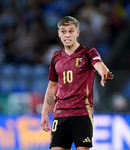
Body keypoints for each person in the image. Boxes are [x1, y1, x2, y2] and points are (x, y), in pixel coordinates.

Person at [40, 16, 114, 150]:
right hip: (60, 114)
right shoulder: (56, 57)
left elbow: (99, 65)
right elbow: (52, 86)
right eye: (63, 31)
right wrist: (44, 113)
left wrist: (104, 73)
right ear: (59, 33)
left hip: (81, 113)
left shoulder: (88, 53)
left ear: (77, 33)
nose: (67, 35)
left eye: (71, 31)